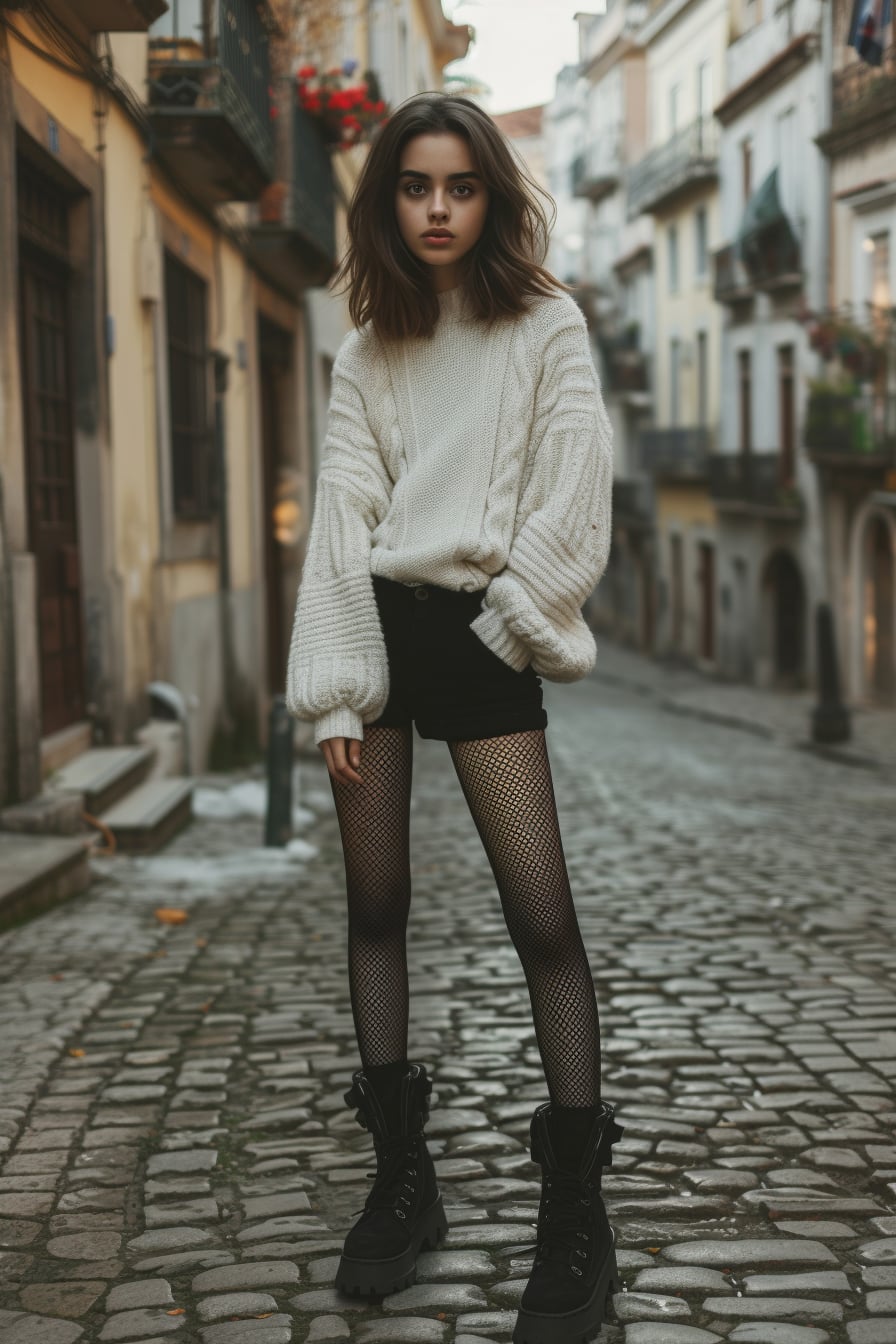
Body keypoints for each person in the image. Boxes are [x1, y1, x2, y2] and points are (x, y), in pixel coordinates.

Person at [285, 91, 624, 1344]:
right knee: (375, 908)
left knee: (543, 921)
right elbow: (340, 515)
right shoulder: (365, 350)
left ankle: (574, 1210)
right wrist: (333, 681)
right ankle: (399, 1181)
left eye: (459, 186)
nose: (436, 209)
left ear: (491, 195)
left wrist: (512, 620)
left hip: (486, 634)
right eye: (414, 187)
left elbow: (573, 481)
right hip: (377, 636)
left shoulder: (544, 324)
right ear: (387, 202)